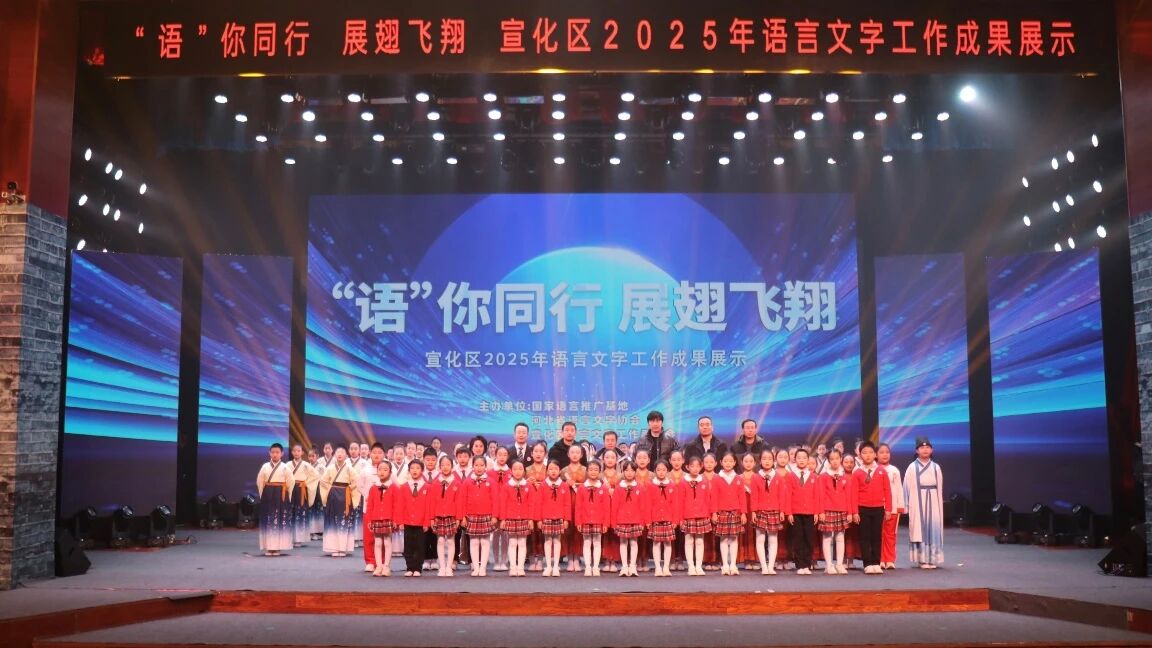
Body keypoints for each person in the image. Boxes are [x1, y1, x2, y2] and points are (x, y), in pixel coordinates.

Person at [904, 437, 944, 569]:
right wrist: (906, 505)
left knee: (933, 528)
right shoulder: (912, 467)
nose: (925, 450)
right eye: (922, 448)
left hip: (933, 499)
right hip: (917, 500)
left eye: (927, 447)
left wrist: (939, 505)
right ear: (917, 450)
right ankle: (922, 559)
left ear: (932, 450)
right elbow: (906, 487)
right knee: (920, 528)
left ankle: (933, 558)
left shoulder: (936, 467)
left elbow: (939, 488)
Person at [855, 442, 892, 575]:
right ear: (860, 455)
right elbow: (854, 493)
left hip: (878, 508)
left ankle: (876, 562)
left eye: (871, 452)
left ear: (875, 454)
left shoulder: (881, 470)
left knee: (876, 536)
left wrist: (888, 509)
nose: (868, 455)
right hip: (863, 508)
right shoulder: (857, 472)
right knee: (864, 536)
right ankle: (867, 563)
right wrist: (854, 512)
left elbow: (887, 490)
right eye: (864, 453)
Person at [818, 449, 855, 575]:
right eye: (832, 459)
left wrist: (849, 512)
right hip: (827, 510)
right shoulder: (823, 477)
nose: (835, 461)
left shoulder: (844, 477)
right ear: (828, 461)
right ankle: (829, 565)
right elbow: (820, 495)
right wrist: (821, 511)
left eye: (837, 458)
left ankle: (839, 564)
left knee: (840, 537)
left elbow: (848, 496)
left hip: (842, 510)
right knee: (827, 537)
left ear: (840, 459)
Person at [710, 451, 747, 576]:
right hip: (722, 512)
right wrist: (714, 513)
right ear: (721, 462)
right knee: (724, 538)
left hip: (735, 512)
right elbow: (714, 497)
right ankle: (725, 565)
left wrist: (743, 513)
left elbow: (742, 497)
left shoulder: (738, 478)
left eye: (730, 461)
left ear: (735, 462)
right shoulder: (717, 478)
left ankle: (733, 565)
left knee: (734, 538)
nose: (728, 463)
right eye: (725, 461)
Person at [320, 447, 360, 557]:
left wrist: (349, 488)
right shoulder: (330, 468)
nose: (340, 454)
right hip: (333, 497)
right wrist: (330, 489)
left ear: (346, 455)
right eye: (338, 452)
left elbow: (357, 481)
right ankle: (333, 548)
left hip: (345, 496)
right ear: (334, 455)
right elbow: (323, 481)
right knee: (333, 521)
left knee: (344, 521)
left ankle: (343, 548)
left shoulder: (350, 469)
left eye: (342, 452)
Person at [751, 449, 786, 575]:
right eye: (764, 459)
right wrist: (753, 511)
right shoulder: (756, 477)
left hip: (774, 510)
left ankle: (771, 566)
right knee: (760, 538)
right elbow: (754, 496)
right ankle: (763, 566)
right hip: (760, 511)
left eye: (770, 459)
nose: (767, 461)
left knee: (773, 539)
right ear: (760, 461)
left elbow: (782, 496)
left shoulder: (778, 477)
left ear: (773, 461)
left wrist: (782, 511)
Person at [255, 443, 294, 556]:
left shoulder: (285, 467)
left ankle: (277, 547)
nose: (275, 454)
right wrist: (263, 494)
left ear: (282, 453)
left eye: (277, 452)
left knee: (279, 519)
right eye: (273, 452)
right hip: (268, 494)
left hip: (280, 495)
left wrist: (286, 495)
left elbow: (290, 482)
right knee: (268, 520)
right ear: (269, 453)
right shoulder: (265, 466)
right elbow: (260, 481)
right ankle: (269, 547)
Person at [498, 460, 535, 577]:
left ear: (524, 471)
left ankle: (521, 568)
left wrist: (530, 519)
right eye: (515, 469)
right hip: (510, 518)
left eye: (520, 469)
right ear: (511, 471)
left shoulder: (528, 486)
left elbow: (531, 504)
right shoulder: (506, 486)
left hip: (524, 518)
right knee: (513, 542)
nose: (518, 471)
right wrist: (503, 519)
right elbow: (502, 504)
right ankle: (513, 568)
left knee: (522, 543)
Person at [574, 460, 611, 576]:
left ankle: (595, 567)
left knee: (597, 542)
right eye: (591, 469)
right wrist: (578, 522)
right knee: (586, 542)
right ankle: (588, 567)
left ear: (599, 472)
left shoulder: (603, 488)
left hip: (598, 520)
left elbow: (606, 507)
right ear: (587, 471)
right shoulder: (582, 488)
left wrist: (605, 523)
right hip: (585, 519)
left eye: (596, 470)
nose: (593, 472)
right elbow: (578, 506)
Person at [428, 455, 463, 577]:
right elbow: (432, 502)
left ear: (452, 467)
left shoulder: (456, 483)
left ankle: (449, 567)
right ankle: (442, 567)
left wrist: (458, 518)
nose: (445, 467)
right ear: (439, 467)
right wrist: (432, 518)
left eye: (448, 465)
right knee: (440, 540)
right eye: (443, 465)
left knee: (451, 541)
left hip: (451, 516)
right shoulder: (435, 483)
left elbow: (459, 502)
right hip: (438, 516)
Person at [462, 455, 497, 576]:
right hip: (471, 515)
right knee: (474, 542)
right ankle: (476, 567)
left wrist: (494, 516)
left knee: (485, 542)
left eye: (482, 465)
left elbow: (495, 500)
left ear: (486, 467)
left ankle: (483, 568)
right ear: (472, 466)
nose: (479, 468)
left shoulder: (491, 482)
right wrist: (463, 516)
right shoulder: (467, 481)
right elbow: (463, 499)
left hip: (486, 515)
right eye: (476, 465)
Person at [611, 460, 647, 577]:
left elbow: (643, 506)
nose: (629, 473)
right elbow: (614, 506)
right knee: (623, 542)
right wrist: (614, 522)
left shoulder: (639, 488)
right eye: (626, 470)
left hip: (636, 519)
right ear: (623, 472)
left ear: (635, 472)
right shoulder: (618, 488)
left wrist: (642, 522)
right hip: (621, 519)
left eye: (632, 470)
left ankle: (632, 566)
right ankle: (624, 566)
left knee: (633, 542)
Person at [395, 461, 431, 577]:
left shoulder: (427, 487)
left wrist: (427, 522)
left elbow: (428, 507)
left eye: (417, 468)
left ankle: (418, 568)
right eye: (412, 468)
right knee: (408, 546)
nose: (415, 470)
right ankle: (409, 567)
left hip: (421, 522)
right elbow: (400, 505)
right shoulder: (404, 487)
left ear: (422, 471)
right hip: (407, 521)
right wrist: (400, 521)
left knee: (420, 546)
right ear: (409, 471)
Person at [786, 448, 819, 574]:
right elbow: (788, 495)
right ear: (795, 459)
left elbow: (816, 496)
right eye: (799, 458)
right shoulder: (791, 476)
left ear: (808, 460)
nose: (802, 460)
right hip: (796, 512)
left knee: (809, 538)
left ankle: (807, 564)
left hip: (810, 512)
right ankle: (800, 565)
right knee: (798, 538)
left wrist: (816, 512)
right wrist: (789, 512)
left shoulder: (813, 476)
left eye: (804, 458)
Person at [679, 455, 712, 576]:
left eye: (698, 466)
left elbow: (708, 500)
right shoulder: (683, 482)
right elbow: (680, 501)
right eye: (692, 466)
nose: (695, 468)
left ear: (701, 467)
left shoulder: (704, 482)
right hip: (688, 515)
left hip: (702, 515)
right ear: (687, 467)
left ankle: (698, 566)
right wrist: (681, 518)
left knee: (699, 541)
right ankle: (691, 566)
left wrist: (708, 514)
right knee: (689, 541)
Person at [357, 443, 388, 572]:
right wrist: (369, 496)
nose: (377, 455)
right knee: (369, 535)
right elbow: (359, 485)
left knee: (384, 536)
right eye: (374, 452)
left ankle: (383, 561)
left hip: (385, 509)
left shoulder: (388, 468)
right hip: (369, 507)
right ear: (370, 453)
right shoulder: (365, 470)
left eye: (380, 452)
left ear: (384, 454)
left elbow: (394, 485)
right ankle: (370, 561)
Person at [537, 460, 571, 578]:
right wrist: (539, 519)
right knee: (547, 541)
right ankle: (548, 566)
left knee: (557, 541)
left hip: (559, 517)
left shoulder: (564, 485)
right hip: (546, 517)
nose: (553, 471)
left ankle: (556, 566)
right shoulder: (543, 485)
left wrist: (566, 519)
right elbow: (539, 503)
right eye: (550, 469)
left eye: (556, 469)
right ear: (547, 471)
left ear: (559, 471)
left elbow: (567, 504)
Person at [646, 460, 679, 577]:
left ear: (667, 471)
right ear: (655, 471)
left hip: (668, 518)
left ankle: (666, 567)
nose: (661, 472)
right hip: (655, 518)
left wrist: (675, 520)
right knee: (656, 543)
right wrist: (648, 520)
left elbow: (675, 504)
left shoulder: (671, 485)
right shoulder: (650, 485)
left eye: (664, 470)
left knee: (668, 543)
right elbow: (647, 504)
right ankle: (658, 567)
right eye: (658, 470)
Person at [364, 462, 396, 576]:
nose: (382, 472)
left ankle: (386, 566)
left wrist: (395, 519)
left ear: (390, 472)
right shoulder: (373, 488)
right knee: (377, 542)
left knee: (387, 542)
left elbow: (396, 505)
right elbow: (370, 505)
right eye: (380, 469)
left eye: (385, 470)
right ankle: (378, 566)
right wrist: (369, 520)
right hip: (376, 518)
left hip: (388, 518)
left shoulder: (394, 487)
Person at [878, 443, 906, 570]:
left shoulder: (894, 470)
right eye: (881, 452)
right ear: (876, 455)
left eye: (887, 452)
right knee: (878, 534)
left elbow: (899, 488)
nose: (885, 455)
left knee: (890, 534)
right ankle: (880, 559)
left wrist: (900, 505)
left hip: (893, 507)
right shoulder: (874, 469)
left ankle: (889, 559)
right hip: (877, 507)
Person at [287, 443, 319, 548]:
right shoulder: (287, 465)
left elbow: (315, 476)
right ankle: (289, 538)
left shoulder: (306, 465)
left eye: (298, 451)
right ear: (292, 452)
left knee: (300, 513)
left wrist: (306, 483)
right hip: (291, 490)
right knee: (290, 513)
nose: (296, 453)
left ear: (302, 452)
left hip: (301, 490)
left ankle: (299, 538)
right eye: (294, 451)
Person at [738, 453, 759, 570]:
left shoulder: (758, 477)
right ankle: (745, 559)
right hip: (743, 507)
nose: (748, 463)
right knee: (744, 532)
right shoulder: (738, 478)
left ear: (755, 463)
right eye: (746, 461)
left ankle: (755, 559)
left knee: (756, 532)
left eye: (751, 461)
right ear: (742, 462)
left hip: (755, 508)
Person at [307, 447, 326, 540]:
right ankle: (311, 532)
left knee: (318, 511)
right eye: (309, 456)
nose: (311, 458)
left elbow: (325, 479)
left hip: (318, 491)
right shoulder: (306, 466)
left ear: (317, 456)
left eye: (313, 456)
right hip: (309, 491)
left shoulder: (321, 467)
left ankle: (318, 532)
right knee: (310, 511)